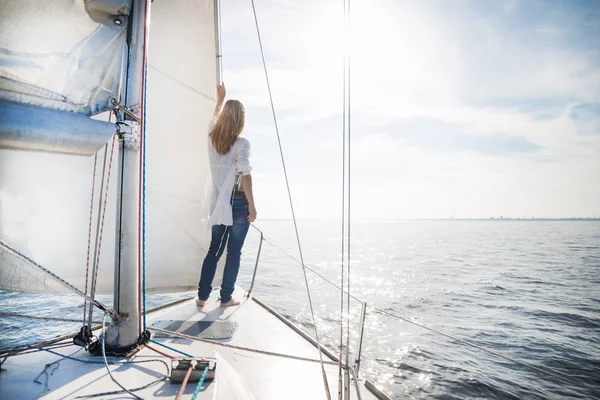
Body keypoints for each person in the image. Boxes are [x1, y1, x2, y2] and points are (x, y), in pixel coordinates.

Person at [197, 83, 257, 308]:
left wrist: (219, 100)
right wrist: (252, 205)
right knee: (234, 253)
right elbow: (246, 174)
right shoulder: (242, 144)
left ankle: (202, 298)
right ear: (241, 121)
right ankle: (225, 298)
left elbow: (214, 118)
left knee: (214, 250)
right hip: (238, 202)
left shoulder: (211, 136)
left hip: (218, 204)